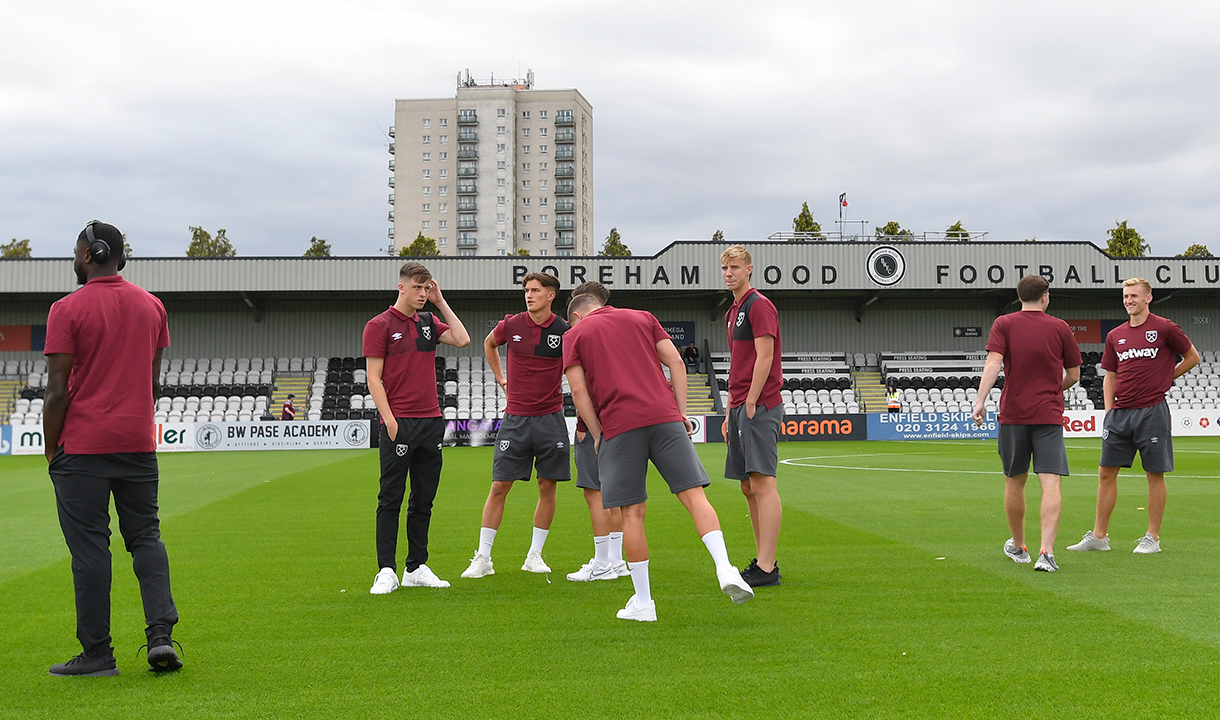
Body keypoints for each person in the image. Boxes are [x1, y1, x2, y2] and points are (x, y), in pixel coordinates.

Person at [42, 220, 182, 677]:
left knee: (90, 552)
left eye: (76, 250)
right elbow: (152, 381)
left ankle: (99, 654)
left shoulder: (66, 309)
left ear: (90, 254)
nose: (74, 257)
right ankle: (160, 635)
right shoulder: (153, 306)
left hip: (82, 448)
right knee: (146, 537)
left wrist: (50, 449)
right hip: (138, 444)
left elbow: (57, 392)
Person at [564, 291, 753, 622]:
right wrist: (680, 413)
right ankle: (725, 568)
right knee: (695, 498)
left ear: (577, 315)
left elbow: (578, 391)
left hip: (620, 425)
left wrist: (597, 435)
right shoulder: (642, 317)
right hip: (665, 418)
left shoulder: (575, 334)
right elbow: (677, 362)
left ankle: (644, 602)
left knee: (632, 514)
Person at [1067, 278, 1199, 554]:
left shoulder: (1164, 328)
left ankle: (1153, 537)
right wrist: (1108, 410)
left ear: (1148, 298)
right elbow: (1110, 375)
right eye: (1126, 296)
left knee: (1154, 474)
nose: (1129, 300)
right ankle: (1099, 536)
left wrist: (1166, 378)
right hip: (1120, 413)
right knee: (1105, 472)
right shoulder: (1116, 335)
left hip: (1152, 411)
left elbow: (1192, 357)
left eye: (1134, 296)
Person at [365, 262, 470, 594]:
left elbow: (462, 339)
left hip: (430, 422)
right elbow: (373, 377)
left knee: (424, 498)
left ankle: (416, 566)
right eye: (418, 288)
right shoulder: (379, 325)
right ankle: (386, 570)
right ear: (402, 288)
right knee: (390, 498)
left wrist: (441, 302)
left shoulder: (428, 321)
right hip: (399, 423)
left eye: (427, 288)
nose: (423, 294)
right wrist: (390, 420)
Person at [461, 273, 571, 579]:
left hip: (551, 417)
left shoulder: (564, 330)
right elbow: (489, 343)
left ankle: (534, 555)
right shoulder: (512, 324)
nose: (529, 295)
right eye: (527, 290)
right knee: (499, 486)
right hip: (516, 418)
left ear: (551, 295)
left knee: (547, 486)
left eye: (535, 290)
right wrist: (500, 376)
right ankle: (483, 557)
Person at [972, 275, 1081, 573]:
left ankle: (1019, 547)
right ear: (1045, 296)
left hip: (1013, 414)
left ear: (1019, 297)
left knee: (1014, 480)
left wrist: (980, 401)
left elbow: (993, 363)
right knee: (1051, 483)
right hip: (1047, 414)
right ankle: (1047, 553)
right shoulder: (1060, 327)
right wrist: (1052, 387)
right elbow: (1074, 375)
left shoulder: (1004, 324)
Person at [719, 245, 784, 587]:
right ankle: (763, 560)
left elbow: (765, 356)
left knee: (762, 483)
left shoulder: (759, 305)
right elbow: (738, 363)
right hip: (740, 404)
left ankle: (767, 566)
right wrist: (732, 411)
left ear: (749, 270)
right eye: (725, 268)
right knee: (747, 486)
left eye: (734, 267)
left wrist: (750, 402)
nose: (729, 273)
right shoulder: (734, 310)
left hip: (758, 404)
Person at [562, 281, 627, 582]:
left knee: (595, 493)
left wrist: (587, 428)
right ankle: (616, 561)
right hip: (624, 420)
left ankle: (603, 563)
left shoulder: (580, 335)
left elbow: (581, 388)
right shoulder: (620, 330)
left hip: (596, 424)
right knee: (615, 495)